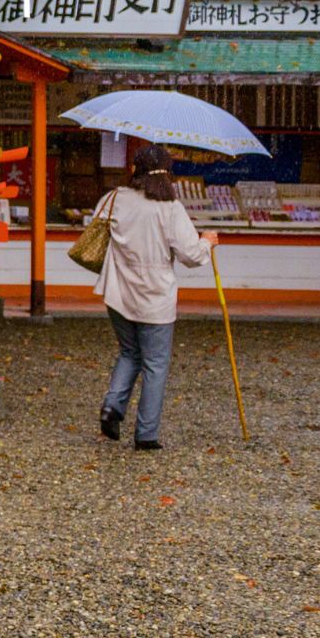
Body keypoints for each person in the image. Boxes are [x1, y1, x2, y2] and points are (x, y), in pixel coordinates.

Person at [94, 142, 214, 452]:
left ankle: (112, 407)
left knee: (129, 352)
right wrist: (207, 242)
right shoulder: (170, 208)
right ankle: (146, 434)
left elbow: (96, 228)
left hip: (118, 290)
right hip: (155, 296)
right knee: (155, 364)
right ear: (167, 173)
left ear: (135, 170)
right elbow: (191, 256)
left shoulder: (114, 199)